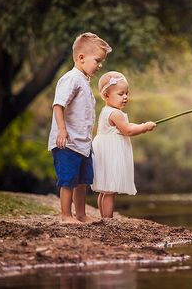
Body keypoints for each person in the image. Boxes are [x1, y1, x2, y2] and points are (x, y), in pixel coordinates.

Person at [48, 32, 112, 223]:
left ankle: (81, 214)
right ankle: (66, 215)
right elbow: (58, 105)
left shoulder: (83, 80)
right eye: (97, 60)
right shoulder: (71, 79)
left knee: (82, 181)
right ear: (81, 58)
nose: (100, 65)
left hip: (82, 143)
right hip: (67, 142)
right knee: (68, 180)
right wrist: (61, 129)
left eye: (102, 62)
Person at [91, 71, 156, 218]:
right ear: (106, 95)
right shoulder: (116, 114)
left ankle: (104, 218)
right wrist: (145, 127)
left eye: (127, 93)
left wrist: (140, 125)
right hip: (110, 154)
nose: (125, 97)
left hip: (104, 152)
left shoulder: (108, 111)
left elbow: (126, 126)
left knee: (105, 189)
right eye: (121, 94)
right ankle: (107, 220)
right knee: (110, 190)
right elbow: (127, 130)